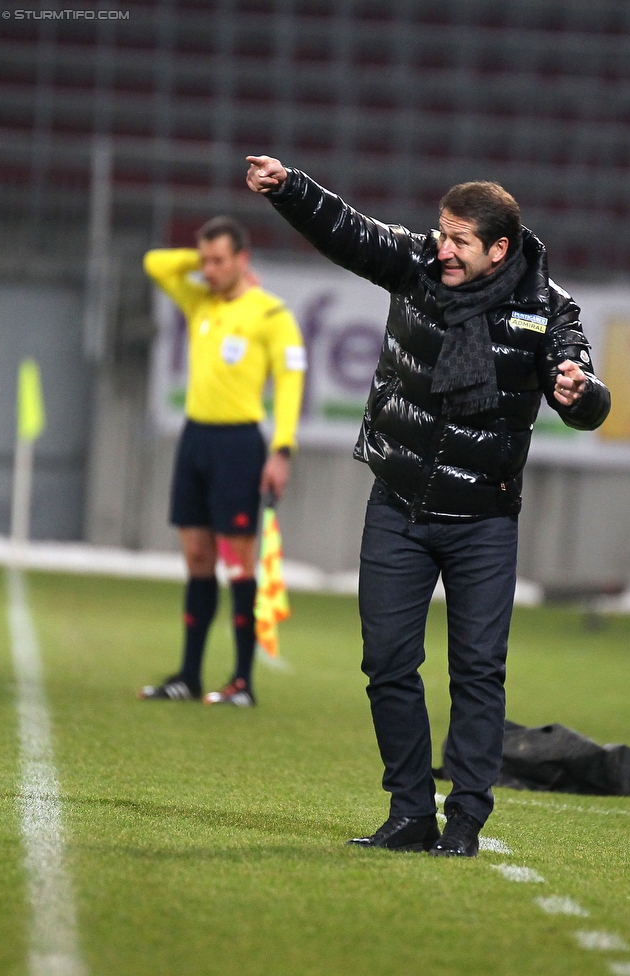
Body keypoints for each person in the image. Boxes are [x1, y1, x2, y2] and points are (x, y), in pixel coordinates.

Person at [246, 155, 610, 854]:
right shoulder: (415, 265)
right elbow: (347, 231)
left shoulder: (546, 309)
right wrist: (291, 188)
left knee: (476, 673)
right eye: (440, 233)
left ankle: (464, 821)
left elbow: (587, 396)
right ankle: (409, 811)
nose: (440, 248)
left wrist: (580, 392)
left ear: (497, 250)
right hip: (399, 503)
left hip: (483, 520)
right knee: (386, 662)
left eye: (458, 241)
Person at [139, 216, 305, 706]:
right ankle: (188, 676)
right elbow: (154, 265)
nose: (207, 270)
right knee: (196, 558)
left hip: (239, 445)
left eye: (218, 260)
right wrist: (198, 260)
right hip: (195, 439)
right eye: (203, 259)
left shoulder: (271, 314)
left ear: (242, 260)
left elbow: (291, 382)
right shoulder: (200, 301)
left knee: (237, 562)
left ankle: (241, 681)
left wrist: (283, 449)